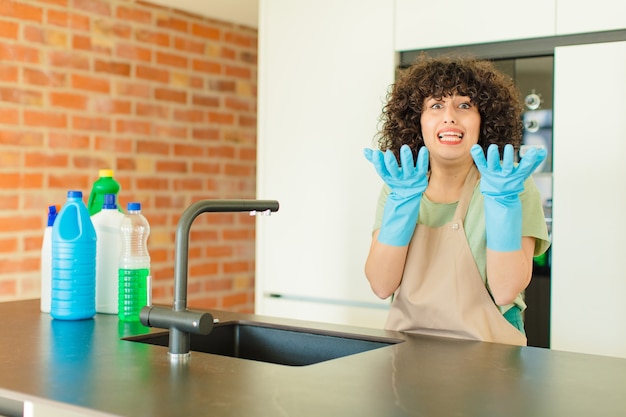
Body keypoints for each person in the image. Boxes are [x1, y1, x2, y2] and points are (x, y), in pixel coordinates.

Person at [363, 55, 550, 346]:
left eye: (464, 105)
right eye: (436, 105)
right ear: (417, 121)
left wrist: (502, 202)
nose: (449, 116)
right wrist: (403, 202)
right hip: (409, 349)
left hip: (490, 352)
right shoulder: (399, 186)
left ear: (484, 119)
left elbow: (505, 291)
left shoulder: (510, 184)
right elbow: (380, 284)